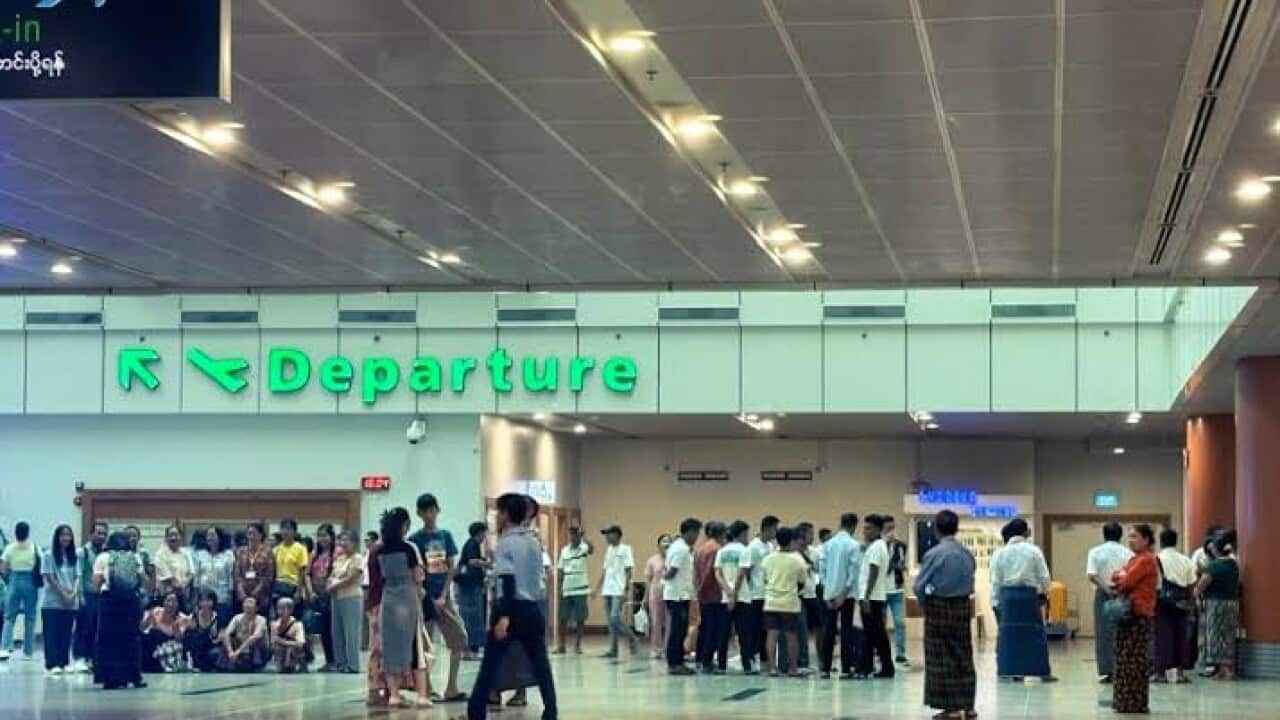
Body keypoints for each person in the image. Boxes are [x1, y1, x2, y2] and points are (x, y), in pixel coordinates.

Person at [467, 492, 559, 720]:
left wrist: (504, 617)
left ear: (507, 515)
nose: (497, 517)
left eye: (499, 512)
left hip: (510, 608)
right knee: (540, 663)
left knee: (490, 664)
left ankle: (475, 711)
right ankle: (551, 710)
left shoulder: (506, 543)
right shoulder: (534, 542)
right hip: (532, 607)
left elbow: (507, 580)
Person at [915, 509, 977, 720]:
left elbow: (919, 586)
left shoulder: (934, 554)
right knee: (963, 655)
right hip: (962, 607)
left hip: (939, 607)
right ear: (956, 528)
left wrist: (926, 604)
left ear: (937, 530)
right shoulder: (967, 553)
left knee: (940, 658)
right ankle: (968, 706)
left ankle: (950, 709)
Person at [408, 493, 467, 703]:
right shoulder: (414, 540)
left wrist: (443, 595)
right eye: (425, 511)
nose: (429, 515)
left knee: (459, 638)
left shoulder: (445, 535)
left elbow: (451, 566)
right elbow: (415, 571)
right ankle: (427, 688)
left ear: (437, 511)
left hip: (444, 596)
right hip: (423, 597)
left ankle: (451, 687)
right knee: (425, 643)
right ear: (419, 513)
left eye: (432, 510)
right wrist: (427, 597)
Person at [379, 507, 433, 708]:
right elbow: (418, 577)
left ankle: (394, 695)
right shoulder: (410, 548)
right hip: (407, 598)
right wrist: (420, 599)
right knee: (416, 646)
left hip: (388, 598)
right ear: (404, 526)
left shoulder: (381, 549)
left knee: (391, 646)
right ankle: (421, 695)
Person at [990, 518, 1054, 681]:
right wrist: (1045, 593)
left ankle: (1009, 671)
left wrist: (996, 602)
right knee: (1034, 636)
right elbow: (1045, 577)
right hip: (1028, 597)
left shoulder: (1000, 553)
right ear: (1026, 532)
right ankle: (1038, 671)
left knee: (1009, 637)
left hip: (1008, 597)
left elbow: (995, 581)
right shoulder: (1034, 551)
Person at [1110, 524, 1159, 714]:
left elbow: (1125, 582)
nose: (1130, 540)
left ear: (1146, 540)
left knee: (1133, 660)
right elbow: (1117, 576)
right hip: (1128, 615)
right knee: (1124, 658)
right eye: (1129, 537)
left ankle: (1133, 702)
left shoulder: (1146, 560)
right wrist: (1120, 576)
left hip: (1138, 614)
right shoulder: (1134, 559)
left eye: (1135, 537)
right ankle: (1124, 701)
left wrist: (1121, 577)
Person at [92, 531, 147, 689]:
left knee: (108, 640)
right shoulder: (134, 557)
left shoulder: (103, 557)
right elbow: (143, 580)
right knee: (131, 638)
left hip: (109, 601)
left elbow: (96, 583)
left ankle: (111, 678)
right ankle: (134, 676)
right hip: (131, 601)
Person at [1086, 521, 1133, 683]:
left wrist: (1107, 589)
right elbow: (1131, 575)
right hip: (1123, 593)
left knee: (1103, 633)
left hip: (1103, 595)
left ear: (1104, 535)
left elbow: (1092, 575)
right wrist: (1118, 589)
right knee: (1122, 632)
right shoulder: (1128, 553)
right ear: (1120, 535)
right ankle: (1122, 669)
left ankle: (1107, 671)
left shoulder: (1095, 552)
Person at [762, 526, 808, 678]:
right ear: (792, 540)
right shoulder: (797, 559)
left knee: (771, 635)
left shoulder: (768, 558)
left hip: (771, 602)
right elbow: (802, 581)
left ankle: (773, 669)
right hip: (790, 602)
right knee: (791, 636)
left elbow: (765, 579)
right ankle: (793, 669)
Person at [736, 515, 779, 674]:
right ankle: (752, 660)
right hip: (755, 596)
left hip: (767, 595)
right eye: (775, 529)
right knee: (754, 630)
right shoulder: (753, 547)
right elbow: (744, 572)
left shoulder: (769, 546)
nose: (776, 532)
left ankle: (765, 661)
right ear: (767, 528)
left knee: (765, 630)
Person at [819, 513, 860, 679]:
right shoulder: (853, 545)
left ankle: (825, 669)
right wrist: (843, 595)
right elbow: (853, 573)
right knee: (846, 631)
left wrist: (827, 592)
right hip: (846, 595)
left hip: (829, 594)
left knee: (829, 632)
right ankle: (845, 668)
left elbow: (821, 570)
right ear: (853, 526)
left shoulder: (828, 544)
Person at [1195, 533, 1240, 681]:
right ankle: (1225, 669)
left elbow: (1203, 584)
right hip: (1232, 603)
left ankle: (1224, 670)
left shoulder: (1214, 566)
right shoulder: (1233, 564)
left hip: (1215, 604)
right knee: (1228, 635)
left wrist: (1196, 593)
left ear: (1216, 549)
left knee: (1215, 635)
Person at [1154, 528, 1196, 684]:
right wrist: (1190, 603)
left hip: (1162, 603)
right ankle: (1179, 673)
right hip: (1182, 602)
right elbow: (1192, 583)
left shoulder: (1157, 558)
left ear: (1161, 541)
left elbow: (1155, 584)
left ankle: (1160, 674)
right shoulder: (1186, 560)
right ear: (1175, 541)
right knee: (1181, 636)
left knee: (1163, 636)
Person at [857, 514, 894, 679]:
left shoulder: (877, 546)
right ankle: (867, 666)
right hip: (874, 596)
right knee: (872, 634)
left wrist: (866, 596)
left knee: (876, 634)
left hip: (872, 597)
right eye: (865, 528)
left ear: (879, 530)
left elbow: (873, 571)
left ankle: (885, 667)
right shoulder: (876, 546)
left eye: (869, 528)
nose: (865, 531)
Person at [664, 518, 702, 675]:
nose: (697, 537)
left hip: (679, 594)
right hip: (677, 595)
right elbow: (672, 571)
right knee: (677, 631)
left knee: (679, 629)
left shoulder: (679, 546)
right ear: (690, 532)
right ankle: (674, 663)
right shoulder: (681, 549)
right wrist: (663, 579)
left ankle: (677, 660)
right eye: (696, 533)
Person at [41, 524, 80, 675]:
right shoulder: (48, 555)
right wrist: (64, 595)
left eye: (69, 535)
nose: (66, 538)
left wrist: (73, 594)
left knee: (66, 633)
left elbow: (77, 576)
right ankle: (52, 664)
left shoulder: (73, 555)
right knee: (52, 634)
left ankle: (64, 662)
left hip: (70, 602)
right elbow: (49, 577)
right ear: (57, 537)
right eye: (63, 535)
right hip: (52, 602)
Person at [0, 521, 40, 661]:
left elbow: (3, 568)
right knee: (30, 617)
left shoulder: (9, 548)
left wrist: (9, 579)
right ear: (28, 533)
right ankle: (28, 651)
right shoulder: (34, 547)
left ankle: (4, 648)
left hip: (14, 580)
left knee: (9, 616)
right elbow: (39, 565)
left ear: (15, 533)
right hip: (31, 582)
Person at [328, 529, 365, 674]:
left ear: (354, 543)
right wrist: (329, 584)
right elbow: (332, 575)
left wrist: (334, 586)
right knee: (337, 631)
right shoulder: (339, 559)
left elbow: (351, 578)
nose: (343, 543)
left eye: (346, 540)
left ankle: (353, 665)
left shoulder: (357, 558)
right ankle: (340, 663)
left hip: (351, 597)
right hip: (336, 597)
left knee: (351, 632)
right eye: (341, 540)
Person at [74, 520, 108, 673]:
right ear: (91, 534)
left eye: (104, 534)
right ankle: (79, 658)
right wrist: (79, 596)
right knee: (84, 628)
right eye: (98, 533)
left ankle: (93, 658)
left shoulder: (106, 552)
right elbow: (79, 575)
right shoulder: (83, 552)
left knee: (97, 628)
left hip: (101, 596)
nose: (101, 536)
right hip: (87, 595)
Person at [717, 520, 751, 673]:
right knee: (744, 633)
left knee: (723, 632)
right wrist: (734, 594)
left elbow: (717, 573)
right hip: (741, 597)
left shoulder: (721, 551)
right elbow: (742, 574)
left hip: (725, 597)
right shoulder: (744, 550)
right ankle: (746, 665)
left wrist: (727, 592)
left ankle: (722, 665)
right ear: (742, 534)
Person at [599, 524, 637, 658]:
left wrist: (626, 590)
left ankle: (632, 637)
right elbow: (604, 570)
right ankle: (613, 649)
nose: (607, 537)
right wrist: (598, 587)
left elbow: (628, 570)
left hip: (618, 589)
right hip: (607, 589)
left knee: (615, 617)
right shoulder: (609, 550)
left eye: (609, 534)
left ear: (617, 535)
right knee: (610, 621)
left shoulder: (626, 549)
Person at [694, 521, 728, 673]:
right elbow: (710, 572)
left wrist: (698, 589)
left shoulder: (700, 549)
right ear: (722, 534)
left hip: (703, 594)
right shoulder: (716, 549)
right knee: (713, 630)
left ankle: (700, 659)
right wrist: (704, 589)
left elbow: (695, 572)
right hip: (713, 594)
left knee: (705, 628)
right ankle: (707, 662)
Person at [554, 524, 592, 656]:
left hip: (580, 588)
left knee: (580, 618)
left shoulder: (584, 547)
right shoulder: (564, 550)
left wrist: (584, 537)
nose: (573, 537)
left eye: (576, 534)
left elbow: (592, 549)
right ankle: (561, 645)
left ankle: (577, 645)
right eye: (571, 534)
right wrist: (559, 588)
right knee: (563, 618)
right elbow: (560, 570)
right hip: (567, 587)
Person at [456, 522, 490, 660]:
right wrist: (487, 563)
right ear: (480, 533)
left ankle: (471, 649)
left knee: (473, 617)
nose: (485, 536)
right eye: (484, 533)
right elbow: (472, 561)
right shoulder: (472, 544)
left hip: (471, 587)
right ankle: (470, 650)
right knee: (472, 617)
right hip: (469, 588)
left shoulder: (471, 545)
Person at [193, 526, 235, 626]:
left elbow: (231, 575)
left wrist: (230, 594)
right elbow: (196, 577)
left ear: (219, 537)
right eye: (207, 535)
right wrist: (195, 596)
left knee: (221, 625)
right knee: (203, 625)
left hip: (222, 597)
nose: (209, 538)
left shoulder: (228, 554)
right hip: (204, 597)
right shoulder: (200, 554)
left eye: (212, 535)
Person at [308, 523, 337, 672]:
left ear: (331, 537)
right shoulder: (314, 554)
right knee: (323, 630)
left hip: (332, 595)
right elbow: (307, 574)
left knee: (333, 629)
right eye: (319, 536)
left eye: (325, 535)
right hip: (317, 596)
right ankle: (329, 661)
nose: (322, 539)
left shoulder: (336, 553)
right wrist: (310, 591)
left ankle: (337, 660)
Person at [140, 590, 190, 673]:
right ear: (164, 602)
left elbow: (179, 639)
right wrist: (148, 619)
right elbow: (141, 629)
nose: (170, 604)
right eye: (168, 600)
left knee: (156, 633)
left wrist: (175, 629)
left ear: (178, 604)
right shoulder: (156, 611)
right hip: (154, 646)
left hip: (171, 648)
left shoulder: (182, 618)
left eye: (174, 601)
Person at [883, 516, 910, 665]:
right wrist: (893, 563)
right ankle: (880, 651)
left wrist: (901, 567)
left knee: (900, 622)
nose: (891, 531)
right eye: (888, 528)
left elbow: (901, 564)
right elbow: (883, 568)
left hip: (896, 589)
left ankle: (900, 653)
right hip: (880, 590)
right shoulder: (878, 545)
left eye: (892, 528)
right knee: (880, 623)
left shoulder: (901, 546)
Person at [219, 596, 270, 673]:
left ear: (256, 608)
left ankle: (257, 666)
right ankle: (228, 664)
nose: (247, 605)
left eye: (250, 602)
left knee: (258, 640)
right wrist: (230, 652)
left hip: (253, 649)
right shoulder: (237, 618)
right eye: (246, 602)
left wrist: (238, 652)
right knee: (224, 637)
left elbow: (255, 636)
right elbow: (226, 633)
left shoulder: (261, 619)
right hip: (240, 647)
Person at [234, 522, 275, 616]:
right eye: (249, 533)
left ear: (260, 535)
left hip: (261, 596)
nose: (251, 536)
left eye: (253, 533)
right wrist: (241, 592)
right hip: (243, 594)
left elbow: (269, 575)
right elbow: (236, 574)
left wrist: (256, 592)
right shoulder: (240, 551)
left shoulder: (268, 552)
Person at [643, 534, 672, 659]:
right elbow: (648, 580)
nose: (666, 543)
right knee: (656, 622)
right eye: (664, 541)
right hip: (655, 593)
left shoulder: (674, 559)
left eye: (669, 541)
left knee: (670, 622)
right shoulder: (652, 560)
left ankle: (667, 648)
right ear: (658, 544)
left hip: (671, 593)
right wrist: (645, 597)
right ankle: (656, 648)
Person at [272, 519, 309, 614]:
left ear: (295, 532)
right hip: (278, 586)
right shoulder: (276, 549)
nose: (285, 532)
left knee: (292, 618)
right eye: (283, 529)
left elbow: (302, 571)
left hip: (293, 586)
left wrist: (298, 591)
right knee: (279, 617)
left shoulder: (300, 549)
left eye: (289, 529)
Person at [153, 525, 194, 608]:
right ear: (166, 538)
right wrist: (178, 585)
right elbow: (168, 577)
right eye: (170, 535)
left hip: (183, 597)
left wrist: (184, 584)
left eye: (176, 535)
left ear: (181, 537)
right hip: (166, 597)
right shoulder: (160, 554)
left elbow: (191, 573)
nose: (173, 538)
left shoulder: (186, 553)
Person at [183, 590, 222, 672]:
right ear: (199, 602)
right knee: (195, 636)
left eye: (208, 600)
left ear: (213, 602)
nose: (205, 603)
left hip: (210, 647)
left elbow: (220, 636)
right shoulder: (193, 616)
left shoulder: (219, 616)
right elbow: (186, 636)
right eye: (202, 600)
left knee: (216, 652)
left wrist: (214, 636)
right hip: (195, 649)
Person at [271, 597, 309, 673]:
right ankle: (282, 664)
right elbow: (273, 642)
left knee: (292, 647)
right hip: (281, 650)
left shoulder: (298, 624)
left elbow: (300, 643)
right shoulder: (274, 624)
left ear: (291, 610)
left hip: (294, 650)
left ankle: (298, 664)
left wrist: (284, 642)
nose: (280, 611)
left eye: (283, 608)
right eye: (279, 608)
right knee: (278, 647)